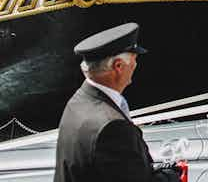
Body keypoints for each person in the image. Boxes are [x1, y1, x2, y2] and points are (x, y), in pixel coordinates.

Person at [54, 23, 182, 182]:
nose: (135, 65)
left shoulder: (76, 103)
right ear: (118, 66)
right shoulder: (113, 128)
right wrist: (171, 176)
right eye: (134, 59)